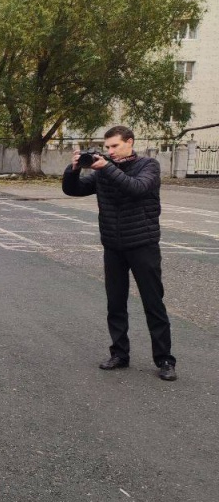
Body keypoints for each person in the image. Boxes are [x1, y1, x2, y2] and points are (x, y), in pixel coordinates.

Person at [62, 125, 176, 381]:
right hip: (113, 246)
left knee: (153, 303)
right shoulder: (104, 171)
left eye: (115, 146)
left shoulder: (148, 166)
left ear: (130, 142)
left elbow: (137, 188)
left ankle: (165, 359)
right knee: (115, 303)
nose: (110, 151)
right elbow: (73, 189)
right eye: (107, 147)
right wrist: (74, 169)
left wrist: (107, 167)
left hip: (143, 244)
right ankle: (119, 354)